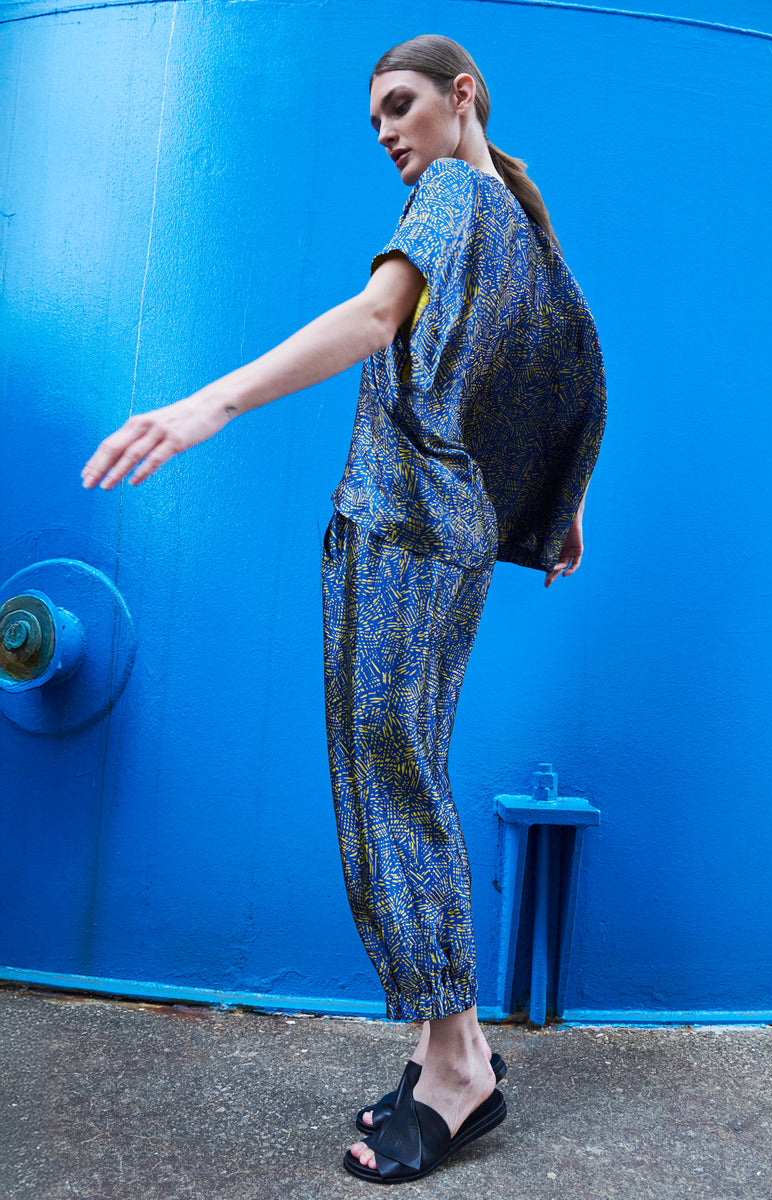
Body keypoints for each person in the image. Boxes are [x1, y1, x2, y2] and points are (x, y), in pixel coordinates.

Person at [82, 34, 605, 1184]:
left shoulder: (457, 193)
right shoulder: (512, 218)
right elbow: (558, 365)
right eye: (375, 118)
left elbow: (379, 320)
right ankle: (441, 1054)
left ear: (463, 96)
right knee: (404, 771)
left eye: (400, 105)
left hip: (399, 534)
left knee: (390, 787)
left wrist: (207, 405)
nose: (386, 132)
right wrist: (557, 509)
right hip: (447, 543)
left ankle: (461, 1065)